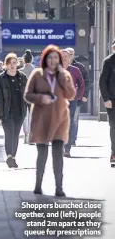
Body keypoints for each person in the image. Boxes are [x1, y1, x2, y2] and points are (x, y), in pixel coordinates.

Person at [24, 45, 76, 197]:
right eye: (50, 57)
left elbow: (71, 94)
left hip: (60, 118)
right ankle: (38, 184)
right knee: (42, 153)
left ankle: (59, 187)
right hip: (42, 118)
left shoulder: (64, 74)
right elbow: (27, 95)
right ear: (45, 59)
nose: (53, 60)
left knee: (58, 154)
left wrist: (62, 79)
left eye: (55, 57)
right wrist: (41, 98)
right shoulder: (37, 74)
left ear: (60, 59)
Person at [0, 53, 28, 168]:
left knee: (16, 135)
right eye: (10, 63)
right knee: (9, 134)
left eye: (14, 63)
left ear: (17, 64)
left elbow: (27, 95)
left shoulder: (23, 77)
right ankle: (9, 156)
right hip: (6, 112)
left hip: (20, 111)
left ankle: (13, 157)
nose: (12, 65)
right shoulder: (0, 78)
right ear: (6, 64)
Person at [61, 49, 85, 157]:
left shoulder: (75, 70)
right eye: (62, 56)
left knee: (69, 124)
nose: (65, 58)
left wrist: (78, 96)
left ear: (70, 58)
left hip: (71, 101)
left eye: (66, 56)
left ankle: (67, 148)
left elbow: (82, 85)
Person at [65, 47, 90, 145]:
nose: (70, 56)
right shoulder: (59, 68)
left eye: (71, 54)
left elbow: (85, 82)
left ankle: (72, 139)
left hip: (75, 99)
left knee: (74, 119)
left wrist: (84, 95)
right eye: (68, 54)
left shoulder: (79, 67)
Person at [99, 38, 115, 165]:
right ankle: (114, 152)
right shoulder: (109, 61)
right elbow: (102, 81)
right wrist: (106, 99)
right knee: (114, 127)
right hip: (112, 100)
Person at [19, 49, 35, 144]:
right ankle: (31, 136)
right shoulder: (35, 71)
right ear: (31, 59)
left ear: (24, 60)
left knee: (24, 116)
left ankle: (26, 135)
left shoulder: (20, 71)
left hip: (22, 95)